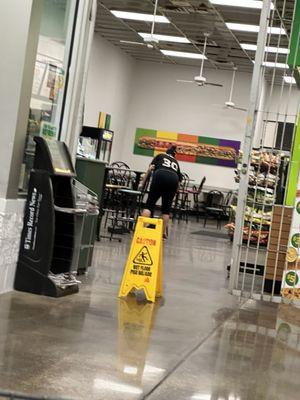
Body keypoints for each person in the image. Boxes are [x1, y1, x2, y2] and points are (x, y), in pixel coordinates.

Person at [140, 145, 182, 239]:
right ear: (174, 155)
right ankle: (161, 235)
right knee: (166, 210)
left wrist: (142, 184)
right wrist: (174, 193)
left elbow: (150, 169)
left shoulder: (160, 156)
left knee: (149, 205)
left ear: (166, 152)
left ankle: (141, 230)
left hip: (160, 175)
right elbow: (179, 181)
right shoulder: (176, 162)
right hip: (173, 179)